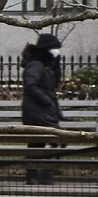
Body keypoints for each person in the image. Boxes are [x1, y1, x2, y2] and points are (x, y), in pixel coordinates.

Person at [20, 32, 65, 185]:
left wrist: (56, 63)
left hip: (43, 113)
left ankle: (39, 173)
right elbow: (31, 86)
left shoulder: (45, 66)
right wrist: (46, 102)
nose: (56, 51)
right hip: (37, 113)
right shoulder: (36, 66)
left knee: (43, 142)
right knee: (50, 141)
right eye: (54, 48)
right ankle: (40, 173)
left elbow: (53, 84)